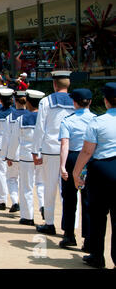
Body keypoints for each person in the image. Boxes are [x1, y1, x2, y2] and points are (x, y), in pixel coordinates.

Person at [73, 83, 116, 269]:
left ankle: (97, 256)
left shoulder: (97, 122)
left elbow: (87, 151)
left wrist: (76, 173)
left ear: (105, 101)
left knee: (98, 215)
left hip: (102, 170)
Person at [33, 71, 75, 235]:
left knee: (49, 187)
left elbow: (40, 128)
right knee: (70, 190)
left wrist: (36, 151)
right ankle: (72, 224)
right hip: (71, 149)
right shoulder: (76, 100)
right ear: (68, 84)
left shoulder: (46, 101)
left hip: (50, 149)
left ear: (54, 84)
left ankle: (49, 222)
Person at [58, 88, 95, 251]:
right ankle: (88, 239)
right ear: (90, 102)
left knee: (69, 197)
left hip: (72, 157)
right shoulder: (95, 120)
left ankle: (69, 234)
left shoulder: (67, 120)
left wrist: (62, 165)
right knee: (88, 200)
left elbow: (65, 144)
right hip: (89, 159)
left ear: (74, 103)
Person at [7, 90, 46, 225]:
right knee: (42, 184)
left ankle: (28, 216)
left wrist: (10, 157)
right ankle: (43, 206)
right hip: (43, 156)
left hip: (26, 157)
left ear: (28, 103)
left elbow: (14, 141)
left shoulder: (21, 119)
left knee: (26, 187)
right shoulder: (46, 119)